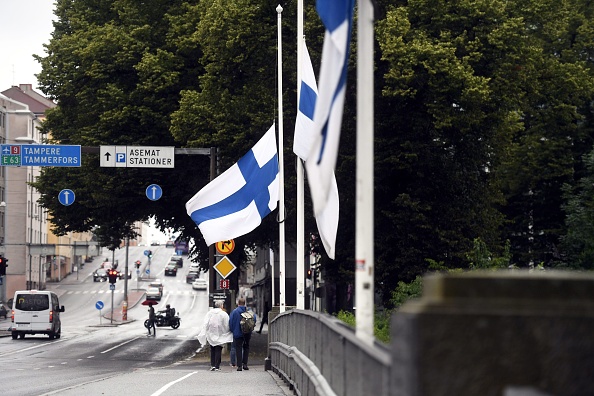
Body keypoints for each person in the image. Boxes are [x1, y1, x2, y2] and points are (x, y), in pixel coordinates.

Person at [198, 300, 233, 371]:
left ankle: (212, 365)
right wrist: (227, 332)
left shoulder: (209, 313)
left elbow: (205, 323)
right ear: (221, 305)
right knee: (218, 349)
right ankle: (217, 365)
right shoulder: (224, 314)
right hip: (220, 334)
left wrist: (205, 332)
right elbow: (226, 324)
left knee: (212, 349)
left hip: (211, 334)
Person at [229, 297, 254, 371]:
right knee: (246, 347)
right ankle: (245, 364)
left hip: (237, 333)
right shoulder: (248, 311)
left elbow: (231, 322)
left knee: (238, 348)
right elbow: (253, 320)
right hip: (247, 333)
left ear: (238, 303)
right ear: (244, 303)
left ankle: (239, 366)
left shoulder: (234, 312)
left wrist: (232, 330)